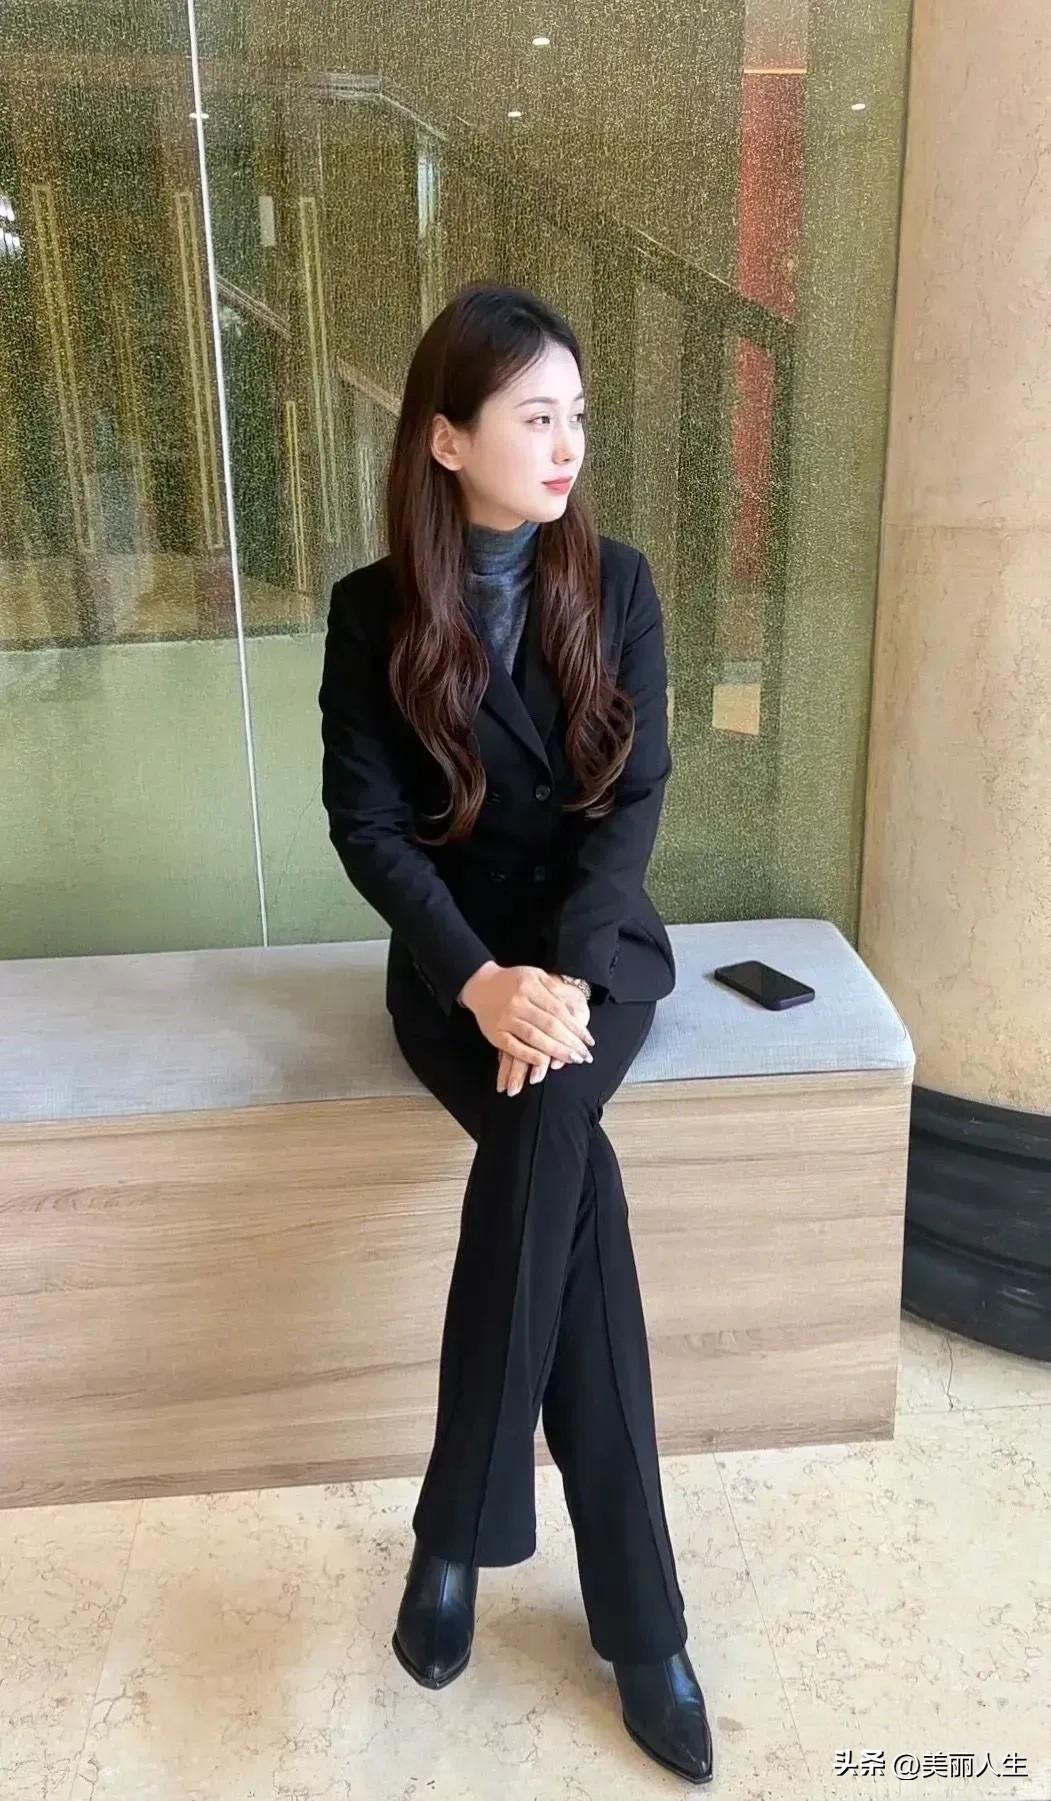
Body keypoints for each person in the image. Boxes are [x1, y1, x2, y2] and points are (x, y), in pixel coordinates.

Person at [318, 283, 713, 1785]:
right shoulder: (373, 612)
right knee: (572, 1163)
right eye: (536, 416)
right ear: (447, 438)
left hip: (598, 961)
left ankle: (456, 1532)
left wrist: (562, 984)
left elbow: (633, 804)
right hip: (458, 974)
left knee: (553, 1115)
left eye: (577, 416)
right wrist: (483, 980)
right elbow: (367, 827)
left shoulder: (620, 583)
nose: (567, 446)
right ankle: (645, 1628)